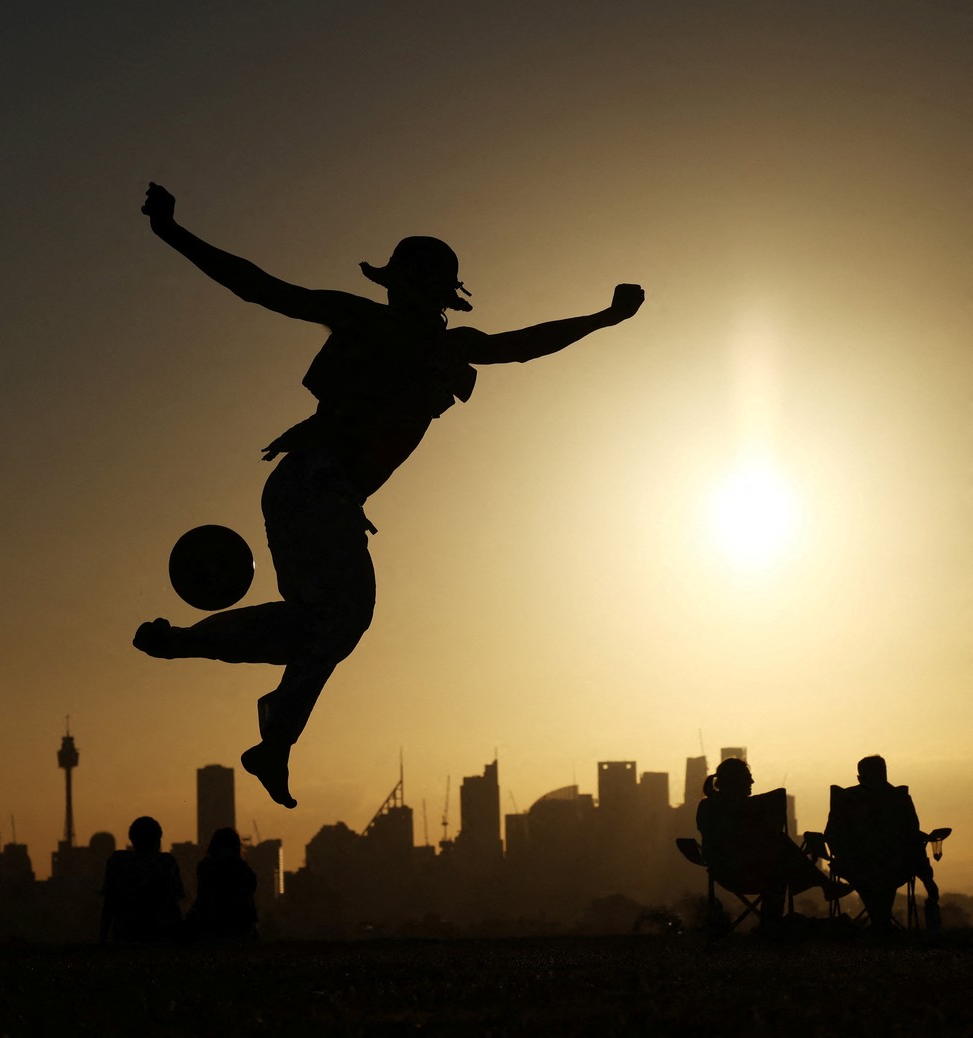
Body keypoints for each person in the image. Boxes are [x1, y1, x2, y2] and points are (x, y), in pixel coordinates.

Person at [133, 183, 645, 807]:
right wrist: (172, 232)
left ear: (437, 294)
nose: (410, 297)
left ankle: (212, 671)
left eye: (421, 286)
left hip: (312, 492)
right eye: (406, 284)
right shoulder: (366, 321)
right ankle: (263, 727)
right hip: (315, 485)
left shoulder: (451, 347)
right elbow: (259, 287)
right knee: (343, 618)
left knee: (321, 628)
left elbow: (524, 344)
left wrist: (602, 318)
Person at [695, 758, 840, 926]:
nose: (752, 781)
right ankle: (820, 885)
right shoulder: (719, 808)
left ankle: (773, 924)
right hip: (736, 872)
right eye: (747, 777)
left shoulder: (713, 806)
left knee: (780, 862)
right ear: (735, 781)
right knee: (780, 856)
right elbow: (732, 842)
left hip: (740, 868)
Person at [825, 755, 937, 932]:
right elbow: (912, 832)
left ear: (860, 777)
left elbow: (831, 834)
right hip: (891, 864)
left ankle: (880, 923)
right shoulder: (899, 798)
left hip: (861, 865)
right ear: (884, 774)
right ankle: (881, 923)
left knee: (874, 879)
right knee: (881, 879)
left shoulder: (846, 799)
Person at [99, 816, 184, 943]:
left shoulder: (118, 862)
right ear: (157, 840)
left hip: (125, 935)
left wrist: (102, 938)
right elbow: (175, 901)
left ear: (132, 839)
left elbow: (109, 904)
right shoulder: (166, 863)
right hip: (160, 935)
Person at [184, 827, 258, 942]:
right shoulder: (244, 870)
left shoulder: (206, 868)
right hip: (240, 927)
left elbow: (203, 900)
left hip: (212, 926)